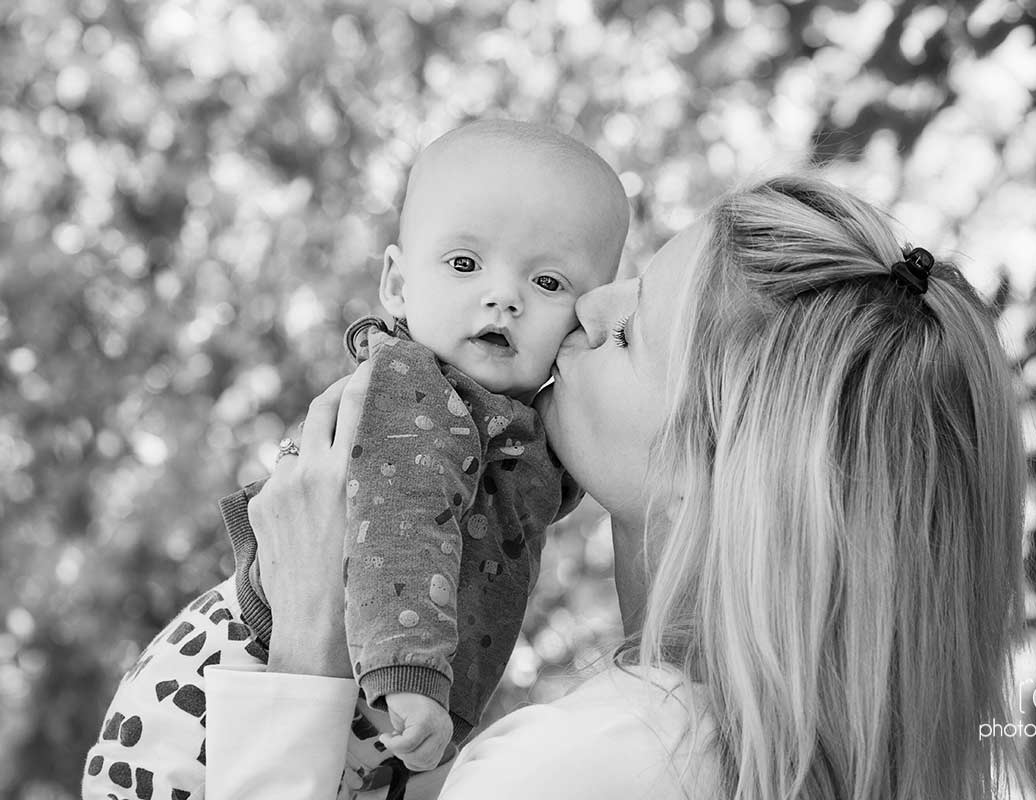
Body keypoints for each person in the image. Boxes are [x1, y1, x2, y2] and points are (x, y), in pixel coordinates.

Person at [197, 173, 1031, 800]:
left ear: (717, 474)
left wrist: (306, 636)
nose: (586, 309)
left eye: (630, 331)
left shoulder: (594, 768)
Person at [81, 120, 628, 799]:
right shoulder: (413, 387)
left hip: (326, 722)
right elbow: (404, 521)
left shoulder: (514, 429)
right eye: (465, 264)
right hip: (216, 699)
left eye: (547, 281)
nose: (504, 296)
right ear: (396, 285)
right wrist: (410, 673)